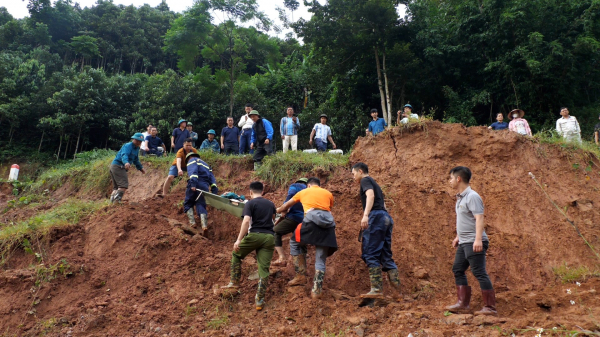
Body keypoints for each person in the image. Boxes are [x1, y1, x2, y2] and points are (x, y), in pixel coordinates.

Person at [445, 166, 497, 316]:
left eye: (451, 178)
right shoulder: (461, 198)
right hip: (464, 241)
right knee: (457, 269)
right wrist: (458, 237)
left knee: (479, 272)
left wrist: (478, 239)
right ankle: (463, 304)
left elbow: (479, 218)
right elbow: (465, 220)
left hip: (473, 241)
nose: (450, 181)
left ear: (458, 179)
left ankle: (490, 307)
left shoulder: (472, 196)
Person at [276, 177, 337, 299]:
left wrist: (277, 210)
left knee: (295, 242)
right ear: (319, 185)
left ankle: (300, 276)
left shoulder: (303, 192)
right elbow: (328, 209)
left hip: (310, 223)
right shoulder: (328, 194)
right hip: (328, 227)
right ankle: (316, 290)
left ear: (308, 185)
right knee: (320, 256)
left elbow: (286, 205)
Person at [220, 181, 276, 311]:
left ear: (250, 192)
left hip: (255, 235)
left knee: (236, 254)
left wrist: (239, 240)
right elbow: (273, 217)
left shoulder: (250, 203)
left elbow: (246, 221)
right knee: (264, 269)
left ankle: (234, 283)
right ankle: (259, 301)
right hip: (269, 238)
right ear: (262, 191)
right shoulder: (271, 204)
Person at [351, 162, 401, 299]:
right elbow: (383, 203)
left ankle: (376, 290)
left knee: (370, 252)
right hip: (385, 217)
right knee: (385, 255)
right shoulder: (375, 182)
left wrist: (366, 215)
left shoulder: (365, 180)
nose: (353, 177)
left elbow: (370, 196)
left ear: (360, 171)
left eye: (354, 173)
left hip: (376, 217)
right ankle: (397, 293)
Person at [272, 178, 307, 266]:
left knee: (275, 231)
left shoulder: (295, 186)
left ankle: (282, 258)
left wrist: (283, 208)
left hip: (294, 217)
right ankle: (301, 265)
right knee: (299, 239)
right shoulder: (310, 191)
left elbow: (291, 194)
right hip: (306, 220)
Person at [184, 152, 218, 236]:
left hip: (195, 185)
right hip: (205, 187)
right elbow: (212, 179)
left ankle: (192, 223)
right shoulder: (207, 165)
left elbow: (193, 172)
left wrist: (193, 184)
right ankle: (204, 226)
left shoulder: (192, 160)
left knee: (188, 203)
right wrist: (214, 190)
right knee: (201, 204)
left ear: (190, 157)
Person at [109, 133, 147, 203]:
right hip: (118, 166)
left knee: (116, 187)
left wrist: (141, 168)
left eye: (140, 141)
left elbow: (136, 160)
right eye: (137, 140)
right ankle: (116, 202)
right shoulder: (128, 146)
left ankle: (111, 204)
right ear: (134, 139)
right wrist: (126, 162)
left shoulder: (136, 148)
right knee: (123, 185)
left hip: (116, 166)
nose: (139, 142)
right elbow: (124, 155)